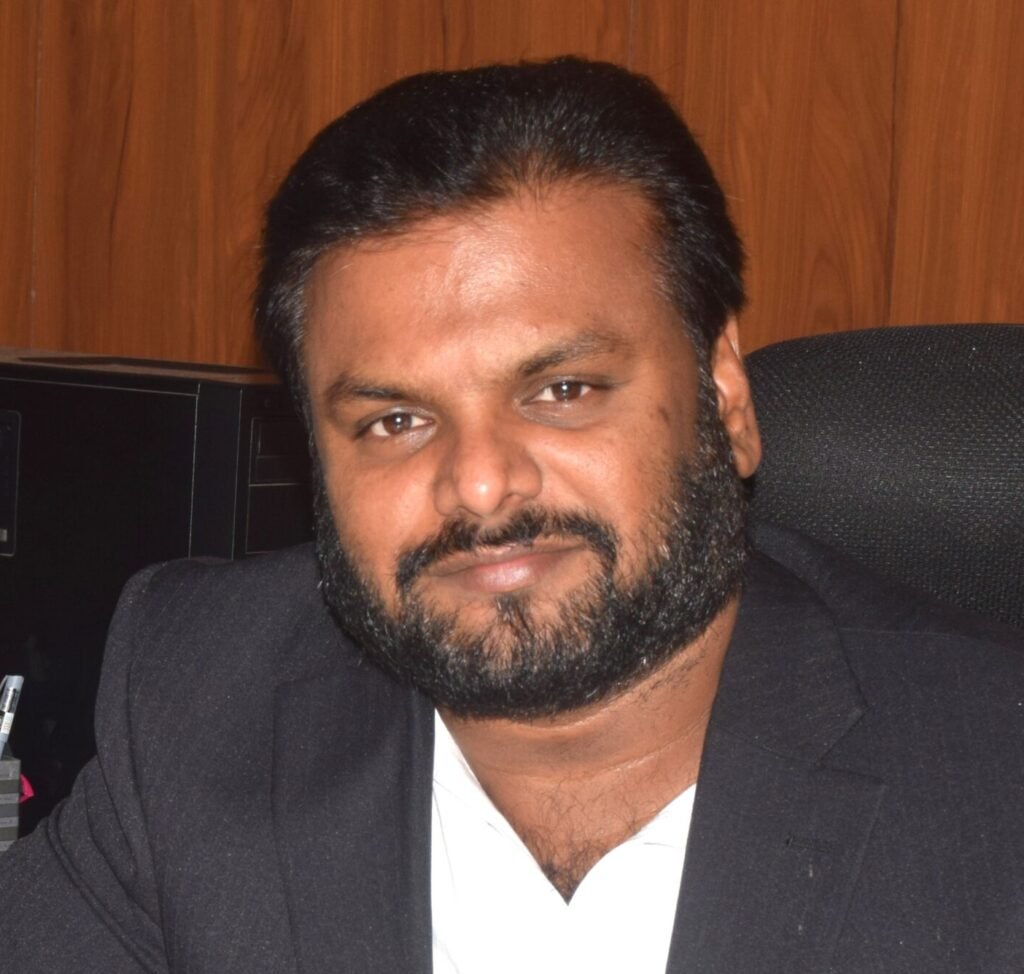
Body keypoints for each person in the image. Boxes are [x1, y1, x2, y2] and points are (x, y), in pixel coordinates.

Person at [1, 57, 1022, 973]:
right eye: (396, 420)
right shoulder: (200, 695)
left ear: (724, 397)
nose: (480, 484)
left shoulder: (993, 781)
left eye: (561, 390)